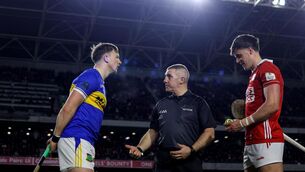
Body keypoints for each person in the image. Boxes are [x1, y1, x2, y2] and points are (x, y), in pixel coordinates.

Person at [125, 64, 216, 172]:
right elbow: (152, 132)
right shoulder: (161, 104)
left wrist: (191, 150)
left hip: (190, 162)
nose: (164, 80)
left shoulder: (199, 103)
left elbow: (210, 133)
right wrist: (140, 148)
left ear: (181, 80)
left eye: (169, 76)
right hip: (163, 163)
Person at [47, 43, 121, 172]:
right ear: (107, 57)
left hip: (86, 139)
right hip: (76, 136)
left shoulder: (100, 83)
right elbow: (68, 108)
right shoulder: (91, 76)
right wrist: (55, 138)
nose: (119, 61)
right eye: (117, 57)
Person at [226, 34, 284, 172]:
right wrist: (241, 121)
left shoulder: (267, 68)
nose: (237, 60)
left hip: (266, 139)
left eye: (239, 55)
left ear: (250, 50)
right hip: (251, 139)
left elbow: (272, 105)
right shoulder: (254, 74)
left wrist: (242, 123)